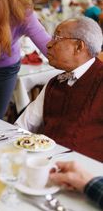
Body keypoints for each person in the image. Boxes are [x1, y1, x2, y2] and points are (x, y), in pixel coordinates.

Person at [15, 16, 103, 161]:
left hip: (86, 175)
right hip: (43, 165)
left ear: (79, 47)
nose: (48, 44)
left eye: (57, 37)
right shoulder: (55, 83)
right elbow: (22, 126)